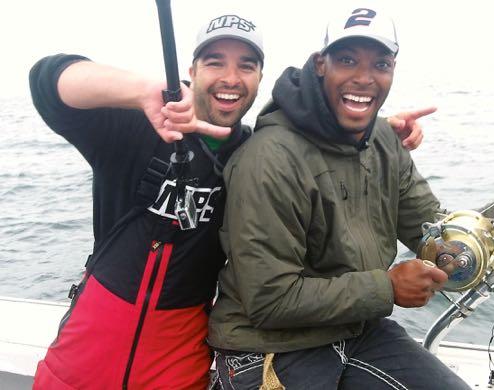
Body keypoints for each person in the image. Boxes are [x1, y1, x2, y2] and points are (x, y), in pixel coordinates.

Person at [208, 8, 494, 390]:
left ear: (393, 70)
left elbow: (434, 236)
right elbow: (270, 301)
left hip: (358, 329)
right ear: (320, 65)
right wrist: (387, 288)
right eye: (347, 60)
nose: (364, 78)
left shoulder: (383, 140)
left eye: (380, 65)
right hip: (267, 348)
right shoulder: (268, 159)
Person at [29, 12, 428, 389]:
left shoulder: (252, 153)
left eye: (247, 66)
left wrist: (372, 132)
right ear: (192, 72)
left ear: (259, 78)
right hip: (90, 338)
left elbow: (312, 145)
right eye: (215, 62)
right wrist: (139, 92)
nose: (231, 78)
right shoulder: (138, 127)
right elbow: (47, 81)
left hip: (183, 348)